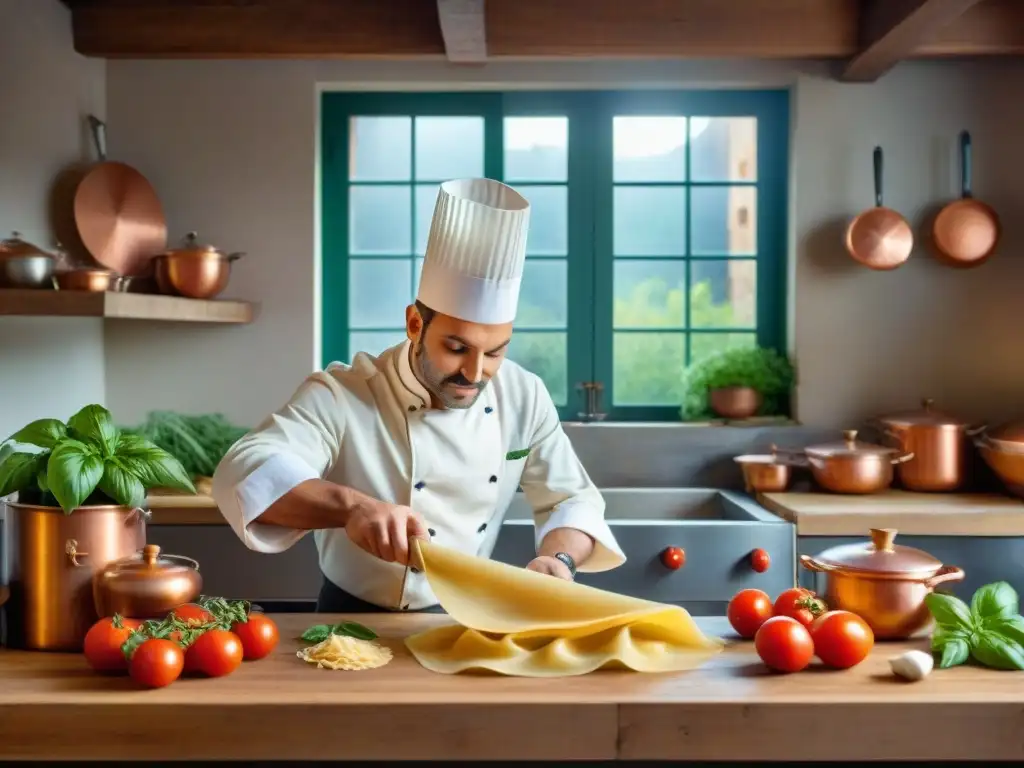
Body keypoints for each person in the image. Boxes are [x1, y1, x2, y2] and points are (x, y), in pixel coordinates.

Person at [212, 178, 625, 613]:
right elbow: (246, 470)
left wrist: (557, 559)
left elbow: (571, 498)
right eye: (457, 348)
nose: (474, 372)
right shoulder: (343, 393)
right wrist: (353, 507)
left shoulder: (524, 396)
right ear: (415, 325)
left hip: (465, 617)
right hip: (348, 616)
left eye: (495, 353)